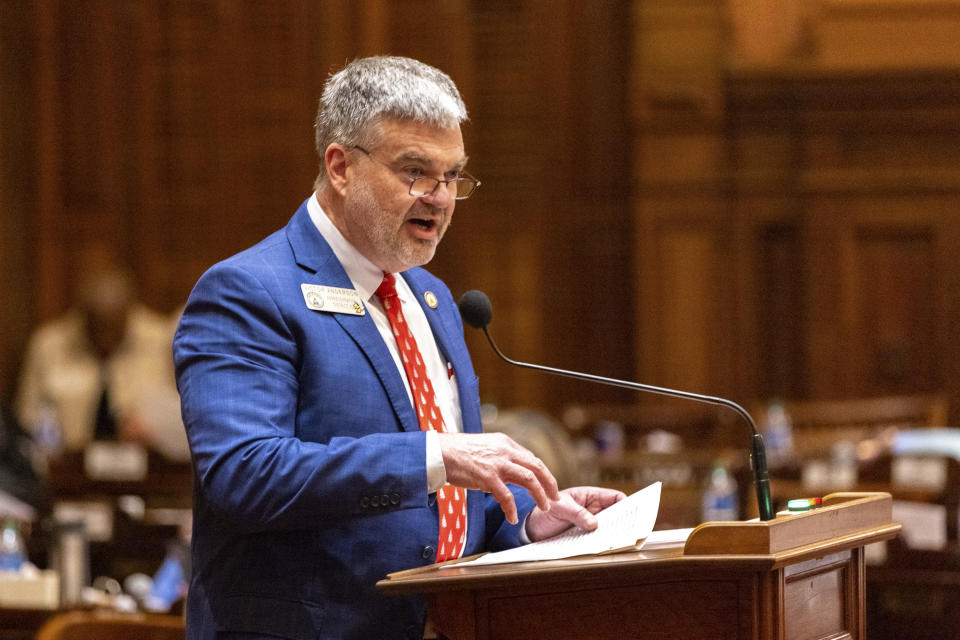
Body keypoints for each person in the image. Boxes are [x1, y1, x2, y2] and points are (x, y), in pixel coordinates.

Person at [173, 56, 625, 640]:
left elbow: (444, 499)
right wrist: (433, 455)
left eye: (452, 176)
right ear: (340, 166)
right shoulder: (250, 292)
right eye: (415, 172)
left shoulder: (432, 300)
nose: (440, 198)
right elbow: (245, 475)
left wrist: (529, 520)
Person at [16, 263, 188, 460]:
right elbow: (26, 422)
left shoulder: (163, 340)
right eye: (98, 329)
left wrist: (159, 432)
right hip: (66, 471)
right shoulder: (48, 345)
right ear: (82, 316)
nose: (106, 340)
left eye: (114, 329)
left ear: (129, 314)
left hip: (151, 470)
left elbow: (188, 418)